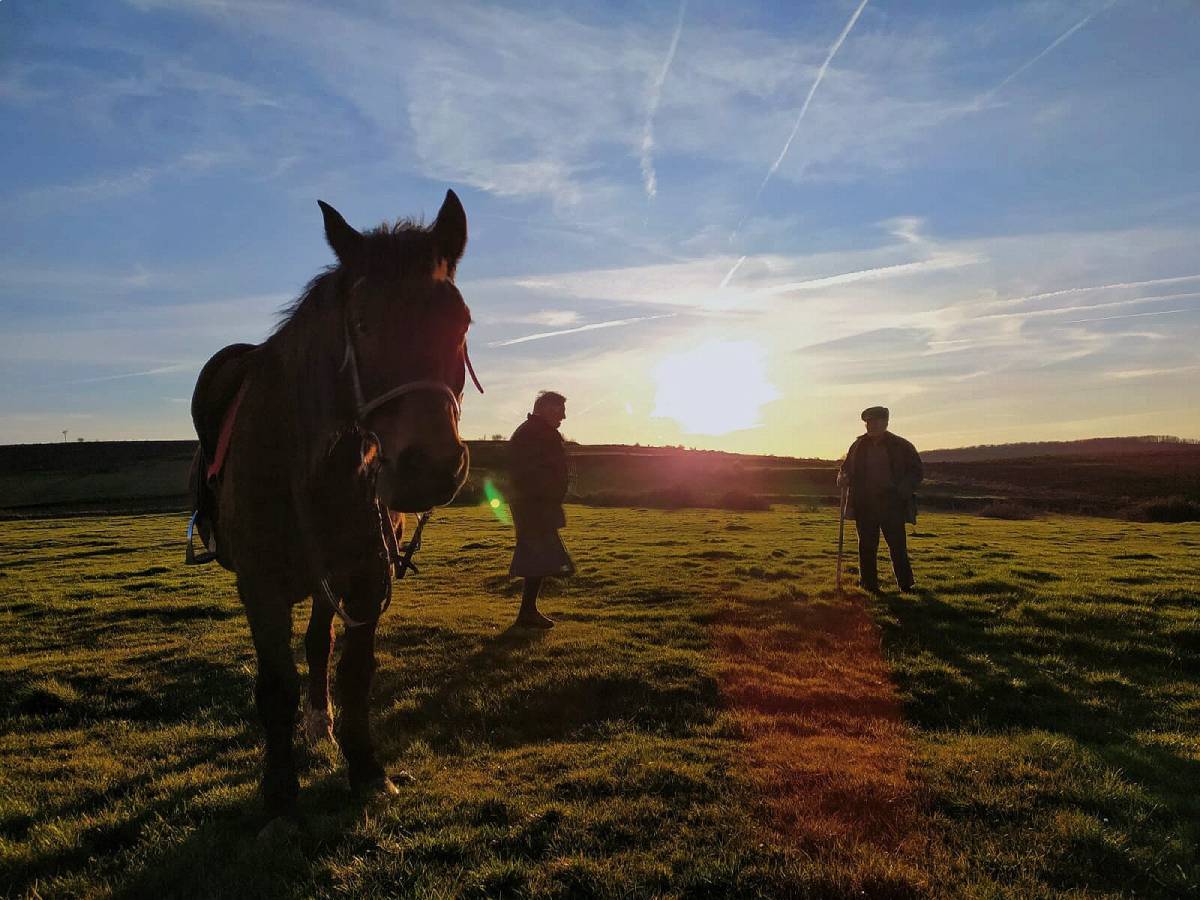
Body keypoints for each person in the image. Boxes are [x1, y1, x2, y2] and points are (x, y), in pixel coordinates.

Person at [836, 406, 923, 593]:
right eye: (868, 422)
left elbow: (917, 472)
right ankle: (869, 585)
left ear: (886, 422)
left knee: (897, 546)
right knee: (866, 547)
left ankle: (906, 585)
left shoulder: (902, 445)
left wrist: (903, 491)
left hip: (892, 503)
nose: (871, 425)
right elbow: (845, 469)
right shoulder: (858, 446)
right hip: (864, 503)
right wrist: (842, 478)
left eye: (875, 421)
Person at [507, 391, 574, 628]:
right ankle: (527, 613)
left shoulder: (535, 432)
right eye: (560, 410)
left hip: (537, 504)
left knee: (540, 556)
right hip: (534, 505)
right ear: (546, 408)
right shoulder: (533, 433)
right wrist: (545, 496)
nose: (564, 416)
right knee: (536, 556)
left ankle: (528, 611)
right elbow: (528, 472)